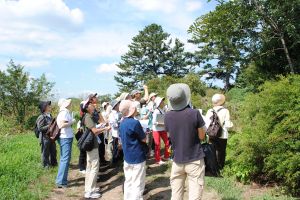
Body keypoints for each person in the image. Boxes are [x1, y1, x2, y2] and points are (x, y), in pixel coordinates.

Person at [164, 83, 206, 200]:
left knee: (176, 194)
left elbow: (170, 136)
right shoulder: (195, 113)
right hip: (194, 159)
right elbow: (202, 136)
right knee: (195, 195)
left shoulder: (167, 116)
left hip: (177, 160)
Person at [119, 100, 147, 200]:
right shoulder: (135, 123)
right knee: (138, 183)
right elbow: (143, 139)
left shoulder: (122, 122)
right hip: (137, 156)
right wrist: (146, 133)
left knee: (129, 181)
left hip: (127, 156)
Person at [82, 101, 110, 199]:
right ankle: (90, 191)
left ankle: (90, 188)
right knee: (94, 167)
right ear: (87, 107)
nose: (92, 105)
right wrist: (105, 128)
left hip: (92, 145)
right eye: (90, 104)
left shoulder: (89, 116)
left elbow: (93, 129)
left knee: (90, 167)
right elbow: (94, 131)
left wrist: (101, 127)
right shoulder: (88, 117)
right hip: (92, 146)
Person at [205, 94, 233, 170]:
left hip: (211, 134)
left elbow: (206, 124)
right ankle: (220, 167)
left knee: (212, 149)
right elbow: (227, 124)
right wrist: (231, 125)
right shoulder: (225, 111)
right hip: (222, 134)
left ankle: (212, 166)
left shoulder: (209, 111)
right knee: (221, 151)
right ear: (222, 102)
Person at [56, 98, 75, 188]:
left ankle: (63, 180)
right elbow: (61, 125)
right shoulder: (64, 112)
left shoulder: (65, 112)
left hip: (66, 137)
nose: (69, 104)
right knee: (65, 159)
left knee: (65, 158)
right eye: (67, 103)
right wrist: (72, 121)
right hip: (65, 137)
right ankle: (60, 181)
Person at [36, 101, 57, 168]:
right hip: (44, 137)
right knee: (45, 152)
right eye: (48, 106)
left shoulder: (50, 115)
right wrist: (50, 125)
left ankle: (54, 164)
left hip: (51, 136)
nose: (50, 107)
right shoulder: (41, 117)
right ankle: (46, 166)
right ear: (44, 108)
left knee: (53, 151)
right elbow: (40, 128)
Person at [152, 97, 170, 164]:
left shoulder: (162, 110)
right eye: (162, 101)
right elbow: (154, 122)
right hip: (156, 130)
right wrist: (162, 123)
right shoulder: (156, 111)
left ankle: (166, 156)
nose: (163, 102)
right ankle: (157, 160)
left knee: (167, 143)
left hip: (162, 129)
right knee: (157, 145)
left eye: (163, 101)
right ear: (159, 103)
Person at [108, 99, 122, 164]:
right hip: (116, 134)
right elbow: (113, 125)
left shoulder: (120, 113)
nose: (120, 105)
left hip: (121, 133)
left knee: (121, 147)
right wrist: (119, 123)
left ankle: (120, 160)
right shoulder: (112, 114)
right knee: (116, 148)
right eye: (118, 104)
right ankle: (114, 162)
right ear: (115, 106)